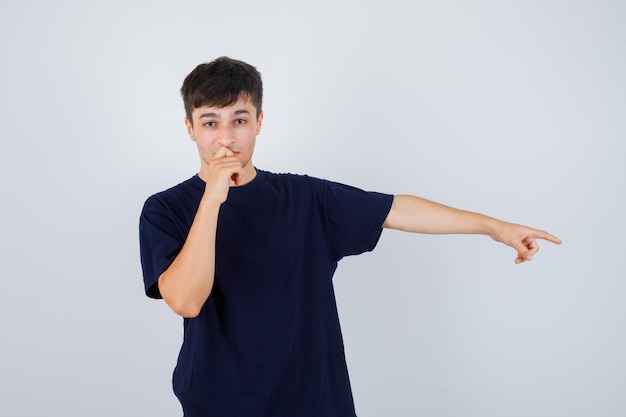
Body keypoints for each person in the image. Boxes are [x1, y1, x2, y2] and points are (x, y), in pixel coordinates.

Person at [139, 56, 561, 417]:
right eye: (210, 122)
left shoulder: (304, 197)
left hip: (314, 400)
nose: (226, 138)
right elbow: (186, 300)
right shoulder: (165, 209)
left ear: (259, 123)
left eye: (240, 120)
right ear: (190, 128)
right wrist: (212, 198)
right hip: (220, 402)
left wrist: (496, 228)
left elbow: (397, 209)